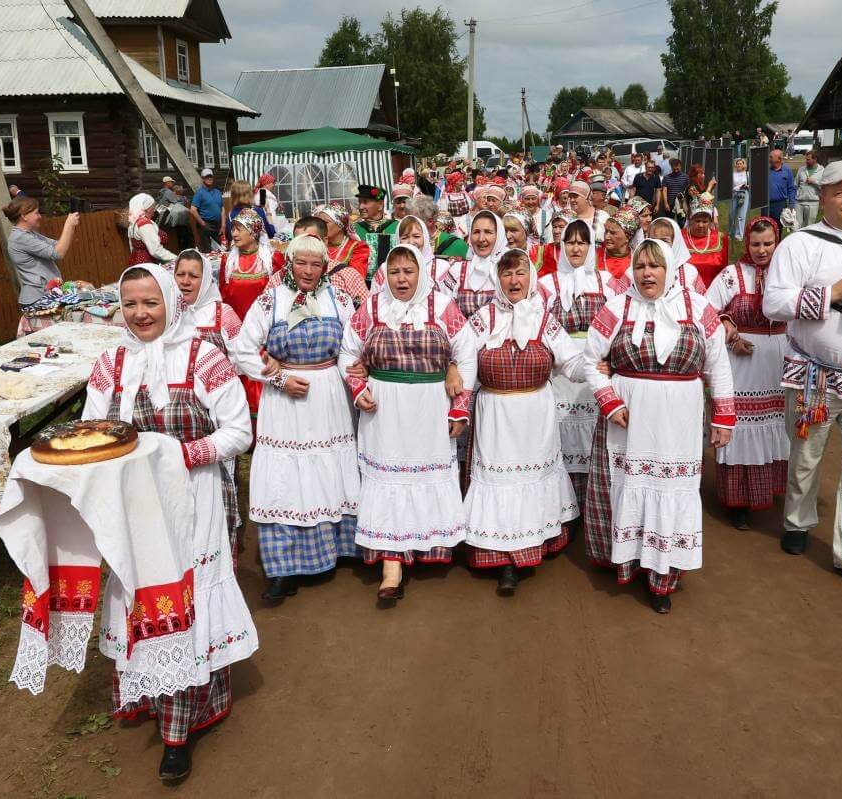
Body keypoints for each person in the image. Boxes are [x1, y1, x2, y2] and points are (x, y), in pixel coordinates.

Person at [83, 264, 257, 781]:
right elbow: (95, 430)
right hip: (135, 505)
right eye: (131, 303)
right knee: (142, 597)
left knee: (185, 599)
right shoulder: (111, 361)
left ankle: (178, 729)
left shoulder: (203, 357)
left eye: (150, 302)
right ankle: (148, 696)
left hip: (194, 501)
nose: (140, 314)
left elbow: (238, 432)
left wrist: (177, 455)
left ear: (170, 303)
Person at [582, 239, 736, 614]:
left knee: (669, 487)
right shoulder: (616, 308)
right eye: (640, 266)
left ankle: (662, 577)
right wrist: (609, 399)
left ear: (669, 269)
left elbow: (718, 366)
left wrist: (724, 417)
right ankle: (626, 561)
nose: (647, 273)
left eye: (655, 266)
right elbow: (591, 361)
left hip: (678, 421)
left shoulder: (700, 309)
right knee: (626, 486)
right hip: (628, 418)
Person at [762, 159, 842, 594]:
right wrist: (831, 293)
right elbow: (773, 304)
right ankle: (798, 521)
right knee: (805, 459)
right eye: (840, 191)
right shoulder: (799, 245)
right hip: (814, 377)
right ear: (822, 198)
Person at [339, 244, 476, 601]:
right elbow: (347, 353)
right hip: (384, 409)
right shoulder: (371, 308)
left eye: (409, 271)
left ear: (422, 273)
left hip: (429, 408)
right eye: (395, 271)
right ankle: (391, 563)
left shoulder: (444, 308)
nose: (402, 279)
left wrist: (460, 406)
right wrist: (357, 388)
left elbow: (466, 353)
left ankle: (426, 547)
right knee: (387, 480)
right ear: (386, 274)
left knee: (422, 478)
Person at [234, 235, 361, 601]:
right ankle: (282, 568)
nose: (307, 271)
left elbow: (350, 347)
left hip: (328, 397)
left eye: (315, 264)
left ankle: (335, 552)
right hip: (285, 398)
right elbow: (242, 347)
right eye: (300, 263)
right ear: (289, 264)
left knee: (328, 471)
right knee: (287, 477)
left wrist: (355, 378)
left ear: (325, 267)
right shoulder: (271, 300)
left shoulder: (338, 299)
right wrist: (278, 377)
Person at [462, 249, 584, 593]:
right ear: (497, 279)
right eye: (506, 274)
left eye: (520, 273)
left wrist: (599, 363)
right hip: (496, 415)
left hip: (535, 414)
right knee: (500, 482)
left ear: (530, 277)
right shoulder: (483, 318)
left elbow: (571, 364)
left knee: (532, 478)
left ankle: (525, 549)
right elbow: (462, 356)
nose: (513, 281)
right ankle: (504, 557)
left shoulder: (544, 319)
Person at [706, 217, 788, 530]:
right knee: (739, 428)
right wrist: (728, 325)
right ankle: (738, 499)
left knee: (776, 425)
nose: (762, 250)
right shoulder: (731, 275)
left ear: (777, 242)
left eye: (768, 243)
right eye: (755, 244)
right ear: (746, 245)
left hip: (778, 365)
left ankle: (767, 489)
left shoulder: (787, 276)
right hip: (740, 365)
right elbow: (706, 310)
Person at [537, 220, 619, 510]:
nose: (575, 247)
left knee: (593, 438)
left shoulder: (607, 281)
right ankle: (565, 508)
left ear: (591, 246)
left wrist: (611, 360)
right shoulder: (546, 284)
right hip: (560, 372)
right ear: (561, 246)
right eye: (570, 241)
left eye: (582, 242)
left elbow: (623, 321)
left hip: (597, 370)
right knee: (562, 436)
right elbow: (537, 324)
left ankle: (593, 504)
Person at [5, 196, 80, 333]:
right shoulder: (20, 238)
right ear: (24, 216)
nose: (40, 216)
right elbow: (58, 254)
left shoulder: (30, 234)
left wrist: (72, 226)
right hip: (38, 298)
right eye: (36, 213)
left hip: (44, 295)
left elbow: (58, 245)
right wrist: (68, 224)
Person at [172, 249, 243, 361]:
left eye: (193, 276)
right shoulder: (167, 314)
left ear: (206, 280)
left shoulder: (223, 314)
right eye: (180, 274)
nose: (185, 281)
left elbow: (244, 360)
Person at [298, 202, 371, 306]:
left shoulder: (357, 247)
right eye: (318, 223)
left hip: (344, 301)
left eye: (325, 223)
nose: (320, 227)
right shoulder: (316, 245)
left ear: (340, 224)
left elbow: (356, 279)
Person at [442, 209, 507, 318]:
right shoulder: (457, 271)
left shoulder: (509, 269)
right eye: (476, 232)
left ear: (499, 235)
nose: (481, 239)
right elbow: (447, 313)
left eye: (488, 232)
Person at [354, 184, 398, 284]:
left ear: (380, 205)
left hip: (391, 283)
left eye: (365, 202)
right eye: (359, 202)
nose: (361, 207)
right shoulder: (354, 229)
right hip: (361, 284)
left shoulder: (396, 227)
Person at [683, 196, 730, 288]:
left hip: (713, 292)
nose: (700, 225)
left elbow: (724, 271)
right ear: (690, 219)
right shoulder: (680, 237)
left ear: (710, 221)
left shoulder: (720, 238)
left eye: (705, 221)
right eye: (697, 221)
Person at [127, 193, 178, 266]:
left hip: (137, 261)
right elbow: (155, 250)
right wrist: (177, 259)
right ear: (146, 208)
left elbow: (132, 246)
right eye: (153, 207)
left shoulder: (134, 221)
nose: (154, 210)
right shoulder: (144, 224)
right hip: (147, 263)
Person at [225, 180, 274, 248]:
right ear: (249, 194)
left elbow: (230, 237)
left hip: (240, 253)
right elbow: (271, 233)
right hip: (256, 252)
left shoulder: (230, 215)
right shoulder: (258, 211)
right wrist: (267, 209)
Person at [601, 208, 640, 280]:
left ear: (627, 236)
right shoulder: (595, 256)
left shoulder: (638, 261)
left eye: (613, 233)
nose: (606, 237)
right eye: (606, 231)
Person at [190, 169, 223, 251]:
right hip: (206, 224)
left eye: (210, 176)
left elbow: (222, 209)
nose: (209, 178)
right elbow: (193, 210)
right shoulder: (199, 193)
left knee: (219, 249)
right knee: (207, 250)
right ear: (203, 179)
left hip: (217, 225)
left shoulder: (218, 192)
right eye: (207, 177)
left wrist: (223, 225)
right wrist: (202, 223)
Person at [767, 149, 796, 229]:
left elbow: (791, 189)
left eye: (771, 157)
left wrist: (791, 204)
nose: (769, 159)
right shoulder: (765, 170)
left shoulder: (787, 170)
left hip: (779, 205)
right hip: (766, 205)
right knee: (765, 228)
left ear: (779, 159)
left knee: (777, 228)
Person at [794, 151, 823, 230]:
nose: (806, 161)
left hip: (813, 203)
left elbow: (825, 187)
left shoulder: (822, 171)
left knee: (809, 227)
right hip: (799, 202)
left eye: (808, 159)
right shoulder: (801, 170)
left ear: (815, 159)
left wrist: (814, 182)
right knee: (795, 226)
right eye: (806, 159)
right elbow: (795, 184)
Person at [661, 159, 691, 226]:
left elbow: (688, 190)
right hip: (670, 203)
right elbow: (664, 190)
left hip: (681, 204)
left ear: (680, 166)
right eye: (673, 167)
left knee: (682, 223)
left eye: (677, 167)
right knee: (669, 222)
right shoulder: (666, 178)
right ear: (671, 167)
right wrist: (665, 203)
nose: (675, 169)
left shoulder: (686, 177)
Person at [729, 158, 750, 240]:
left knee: (741, 215)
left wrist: (747, 186)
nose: (738, 165)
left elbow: (751, 184)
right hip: (734, 194)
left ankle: (739, 235)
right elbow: (730, 185)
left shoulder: (747, 174)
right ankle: (731, 233)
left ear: (743, 165)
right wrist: (738, 187)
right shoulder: (733, 174)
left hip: (744, 194)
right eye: (737, 164)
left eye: (740, 163)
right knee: (731, 214)